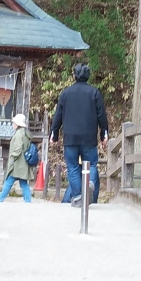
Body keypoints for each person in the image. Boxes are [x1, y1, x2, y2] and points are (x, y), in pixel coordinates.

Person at [50, 63, 108, 206]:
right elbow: (101, 115)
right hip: (89, 137)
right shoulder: (94, 93)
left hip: (70, 137)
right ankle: (90, 184)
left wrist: (54, 133)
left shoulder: (65, 93)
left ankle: (77, 196)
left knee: (73, 167)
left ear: (74, 75)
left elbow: (58, 115)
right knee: (92, 164)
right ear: (88, 76)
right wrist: (104, 134)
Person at [0, 113, 33, 203]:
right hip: (23, 163)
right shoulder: (25, 133)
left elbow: (18, 148)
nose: (13, 124)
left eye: (14, 122)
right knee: (23, 183)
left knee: (8, 182)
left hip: (17, 163)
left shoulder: (19, 133)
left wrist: (12, 156)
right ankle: (28, 201)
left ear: (17, 124)